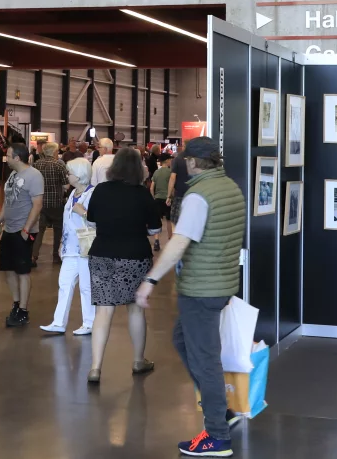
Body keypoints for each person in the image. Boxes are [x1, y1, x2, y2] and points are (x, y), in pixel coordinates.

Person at [137, 138, 248, 457]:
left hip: (202, 288)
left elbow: (179, 242)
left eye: (185, 159)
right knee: (183, 340)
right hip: (222, 282)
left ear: (194, 162)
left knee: (204, 359)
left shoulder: (199, 196)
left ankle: (217, 435)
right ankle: (222, 412)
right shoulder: (229, 187)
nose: (183, 163)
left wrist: (150, 280)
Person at [78, 146, 161, 384]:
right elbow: (155, 228)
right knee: (135, 309)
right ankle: (138, 361)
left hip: (102, 254)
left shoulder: (101, 190)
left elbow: (92, 221)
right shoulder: (142, 193)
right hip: (135, 256)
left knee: (103, 311)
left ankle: (95, 368)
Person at [41, 157, 95, 336]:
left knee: (86, 287)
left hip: (86, 247)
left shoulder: (93, 194)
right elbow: (67, 222)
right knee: (64, 283)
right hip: (70, 247)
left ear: (78, 175)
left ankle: (89, 323)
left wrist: (84, 213)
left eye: (69, 173)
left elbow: (98, 220)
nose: (67, 175)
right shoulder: (72, 194)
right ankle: (59, 322)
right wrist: (61, 243)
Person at [0, 143, 44, 326]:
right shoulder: (12, 175)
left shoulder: (34, 176)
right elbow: (7, 202)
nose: (6, 159)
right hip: (9, 229)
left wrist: (26, 229)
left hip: (23, 231)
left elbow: (37, 205)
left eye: (8, 156)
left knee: (23, 271)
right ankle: (16, 304)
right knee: (9, 269)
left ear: (17, 158)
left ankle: (23, 310)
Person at [32, 140, 67, 268]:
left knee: (39, 230)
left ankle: (33, 256)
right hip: (56, 203)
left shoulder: (37, 164)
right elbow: (66, 185)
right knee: (58, 231)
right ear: (54, 152)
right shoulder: (59, 165)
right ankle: (56, 256)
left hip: (40, 203)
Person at [149, 148, 174, 245]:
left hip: (158, 198)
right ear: (167, 161)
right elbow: (172, 187)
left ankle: (156, 240)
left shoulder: (156, 172)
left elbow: (151, 188)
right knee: (168, 220)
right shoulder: (171, 172)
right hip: (168, 199)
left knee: (158, 219)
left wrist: (154, 197)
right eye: (170, 160)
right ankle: (170, 238)